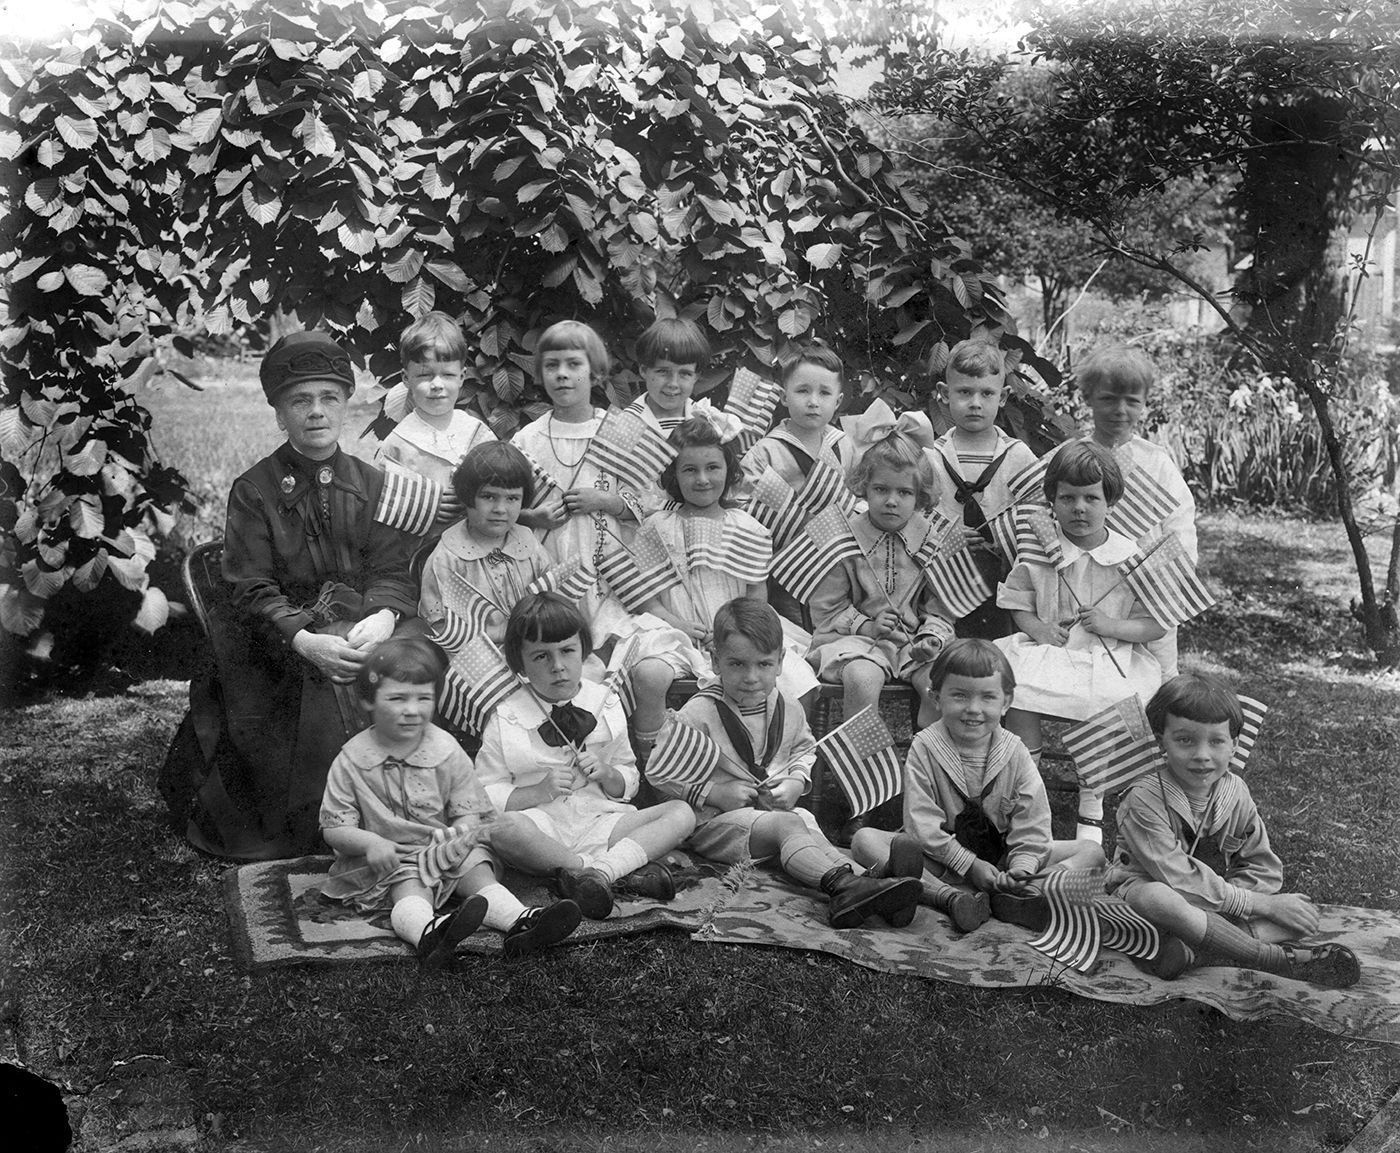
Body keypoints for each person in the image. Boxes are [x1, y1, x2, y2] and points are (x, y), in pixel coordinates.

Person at [161, 331, 419, 860]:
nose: (317, 412)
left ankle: (416, 801)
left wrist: (384, 616)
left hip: (363, 625)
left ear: (345, 404)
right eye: (300, 401)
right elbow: (249, 586)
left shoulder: (374, 484)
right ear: (280, 415)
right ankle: (327, 820)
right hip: (276, 641)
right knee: (310, 687)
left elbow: (393, 568)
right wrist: (304, 640)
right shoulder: (254, 490)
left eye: (329, 398)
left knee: (420, 658)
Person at [653, 599, 922, 929]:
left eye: (764, 664)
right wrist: (714, 793)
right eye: (737, 664)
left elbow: (804, 748)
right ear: (715, 661)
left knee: (807, 825)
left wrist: (796, 780)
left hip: (768, 815)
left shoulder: (788, 707)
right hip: (713, 823)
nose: (751, 677)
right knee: (789, 825)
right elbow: (661, 774)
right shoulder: (698, 713)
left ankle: (873, 885)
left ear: (780, 662)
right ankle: (842, 888)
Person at [318, 637, 582, 964]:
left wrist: (461, 830)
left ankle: (521, 921)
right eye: (397, 698)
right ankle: (429, 932)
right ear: (369, 702)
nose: (411, 710)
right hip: (391, 855)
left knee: (476, 868)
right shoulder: (352, 760)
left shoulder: (444, 748)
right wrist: (371, 843)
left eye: (423, 698)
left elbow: (469, 807)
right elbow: (334, 828)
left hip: (445, 846)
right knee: (410, 883)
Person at [1106, 673, 1361, 987]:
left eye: (1216, 741)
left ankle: (1193, 951)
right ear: (1161, 742)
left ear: (1234, 745)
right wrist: (1258, 904)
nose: (1202, 754)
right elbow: (1176, 878)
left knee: (1299, 918)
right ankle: (1271, 958)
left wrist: (1249, 899)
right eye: (1185, 740)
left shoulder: (1235, 792)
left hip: (1213, 905)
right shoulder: (1144, 798)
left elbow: (1263, 868)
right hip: (1146, 903)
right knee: (1157, 897)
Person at [851, 639, 1105, 933]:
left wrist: (1021, 868)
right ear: (936, 698)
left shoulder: (1015, 751)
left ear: (1006, 702)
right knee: (865, 840)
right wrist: (970, 865)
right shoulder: (925, 747)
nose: (973, 709)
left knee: (1091, 852)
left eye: (987, 697)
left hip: (1003, 860)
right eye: (959, 695)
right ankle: (950, 897)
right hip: (941, 861)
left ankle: (1025, 892)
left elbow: (1032, 822)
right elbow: (922, 827)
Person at [472, 593, 697, 919]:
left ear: (584, 649)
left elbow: (628, 776)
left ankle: (599, 873)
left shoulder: (604, 702)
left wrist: (608, 773)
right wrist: (537, 791)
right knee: (503, 828)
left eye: (567, 651)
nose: (558, 667)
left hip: (601, 821)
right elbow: (485, 794)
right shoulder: (506, 716)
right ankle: (600, 871)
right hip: (542, 827)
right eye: (541, 656)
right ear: (520, 663)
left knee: (681, 813)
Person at [995, 440, 1165, 842]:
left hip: (1108, 655)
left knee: (1109, 699)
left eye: (1091, 498)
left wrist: (1111, 625)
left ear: (1111, 502)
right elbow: (1018, 601)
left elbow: (1155, 625)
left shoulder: (1129, 556)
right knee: (1017, 692)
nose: (1079, 508)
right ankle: (1028, 792)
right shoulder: (1042, 546)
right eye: (1067, 498)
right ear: (1052, 501)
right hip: (1050, 650)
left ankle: (1092, 803)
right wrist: (1038, 629)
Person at [626, 415, 819, 761]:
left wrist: (737, 632)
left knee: (798, 678)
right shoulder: (656, 527)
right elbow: (648, 600)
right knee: (649, 674)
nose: (702, 479)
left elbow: (756, 597)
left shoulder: (748, 529)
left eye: (713, 468)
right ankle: (653, 763)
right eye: (690, 470)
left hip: (740, 632)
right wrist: (679, 624)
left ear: (729, 471)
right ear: (673, 475)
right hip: (677, 631)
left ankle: (778, 759)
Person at [806, 431, 956, 730]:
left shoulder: (931, 539)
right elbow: (826, 608)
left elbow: (942, 608)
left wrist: (931, 638)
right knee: (863, 679)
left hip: (914, 644)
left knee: (939, 685)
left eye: (904, 493)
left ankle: (929, 753)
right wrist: (867, 625)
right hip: (856, 641)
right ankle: (862, 756)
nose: (891, 501)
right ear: (864, 488)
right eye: (880, 489)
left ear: (919, 496)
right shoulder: (845, 538)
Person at [513, 320, 640, 643]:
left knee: (612, 641)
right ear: (540, 374)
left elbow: (648, 500)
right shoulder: (528, 439)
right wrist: (533, 516)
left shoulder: (619, 430)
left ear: (595, 373)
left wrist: (606, 501)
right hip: (550, 558)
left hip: (609, 562)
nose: (562, 374)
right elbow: (505, 504)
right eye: (551, 365)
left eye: (573, 364)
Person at [1078, 346, 1196, 679]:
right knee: (1094, 670)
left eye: (1132, 401)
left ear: (1144, 402)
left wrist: (1168, 578)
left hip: (1147, 586)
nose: (1120, 410)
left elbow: (1181, 526)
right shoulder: (1074, 455)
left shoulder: (1155, 461)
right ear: (1088, 398)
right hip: (1089, 583)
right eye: (1108, 399)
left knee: (1155, 673)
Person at [925, 340, 1036, 639]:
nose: (975, 402)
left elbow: (1037, 516)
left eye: (987, 393)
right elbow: (917, 519)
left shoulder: (1018, 456)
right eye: (964, 392)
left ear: (1003, 397)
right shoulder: (932, 458)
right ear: (944, 393)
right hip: (947, 584)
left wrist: (1005, 538)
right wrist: (948, 535)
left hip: (1004, 586)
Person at [417, 442, 550, 646]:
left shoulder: (528, 543)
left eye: (512, 498)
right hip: (474, 653)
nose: (500, 509)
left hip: (531, 647)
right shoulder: (448, 557)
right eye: (489, 496)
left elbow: (550, 600)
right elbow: (441, 626)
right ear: (467, 495)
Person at [373, 311, 496, 503]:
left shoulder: (477, 433)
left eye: (448, 375)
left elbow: (500, 485)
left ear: (462, 377)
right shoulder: (397, 444)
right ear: (406, 378)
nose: (437, 384)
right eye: (424, 375)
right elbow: (383, 501)